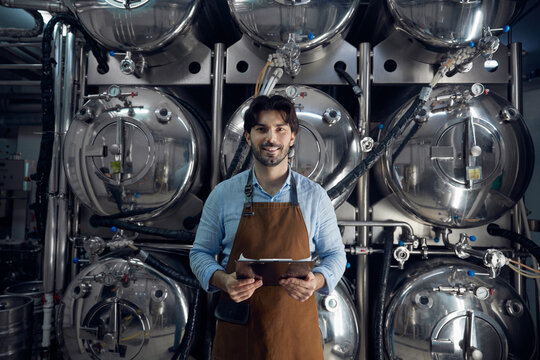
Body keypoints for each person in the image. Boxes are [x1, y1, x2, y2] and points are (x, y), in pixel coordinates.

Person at [189, 94, 346, 360]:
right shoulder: (224, 194)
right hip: (240, 331)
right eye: (261, 129)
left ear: (292, 137)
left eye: (280, 129)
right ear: (248, 136)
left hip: (295, 333)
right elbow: (200, 253)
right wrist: (224, 281)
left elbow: (335, 256)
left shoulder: (314, 196)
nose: (271, 139)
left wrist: (316, 281)